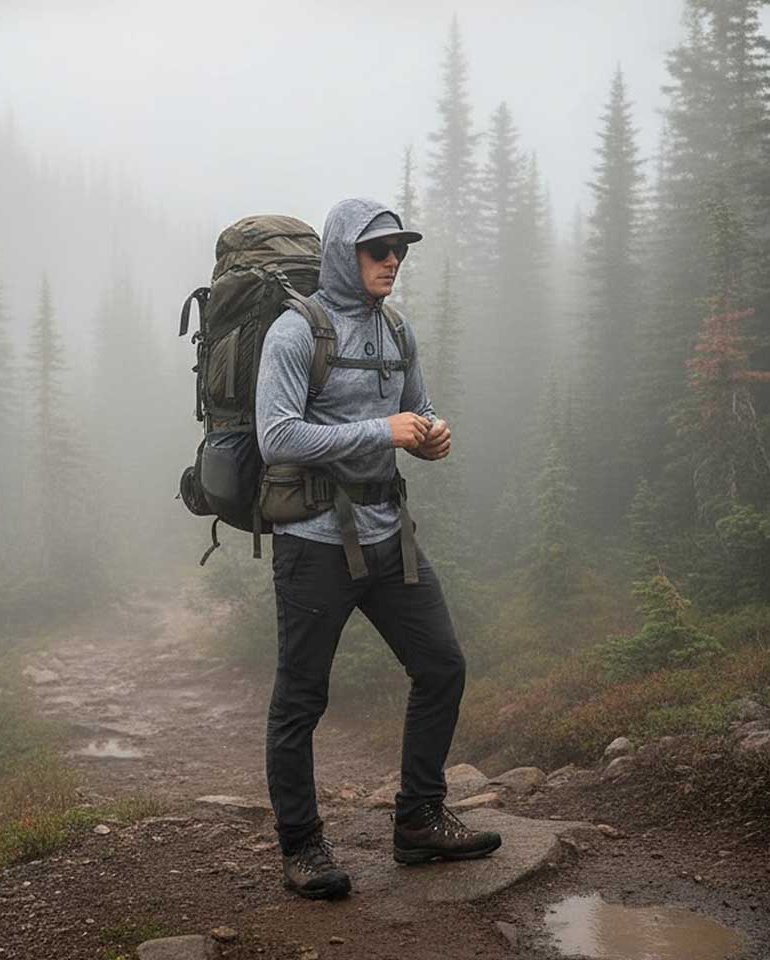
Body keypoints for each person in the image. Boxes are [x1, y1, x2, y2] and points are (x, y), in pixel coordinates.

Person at [255, 197, 501, 901]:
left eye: (399, 249)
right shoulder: (295, 333)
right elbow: (277, 437)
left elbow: (413, 417)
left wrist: (431, 436)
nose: (392, 260)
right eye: (377, 249)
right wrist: (382, 432)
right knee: (301, 699)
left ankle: (419, 821)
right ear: (344, 254)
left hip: (388, 537)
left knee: (442, 665)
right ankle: (303, 849)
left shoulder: (398, 330)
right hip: (312, 545)